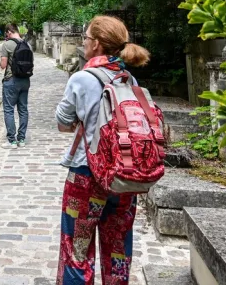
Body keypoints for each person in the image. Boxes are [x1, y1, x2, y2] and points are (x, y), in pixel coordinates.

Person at [55, 15, 150, 285]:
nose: (84, 43)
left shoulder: (82, 78)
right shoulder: (129, 78)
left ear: (96, 44)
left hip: (87, 176)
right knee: (118, 251)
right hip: (124, 178)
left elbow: (63, 123)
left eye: (85, 38)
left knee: (77, 251)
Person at [0, 23, 29, 149]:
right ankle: (21, 139)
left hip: (11, 80)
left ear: (9, 32)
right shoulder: (26, 44)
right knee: (23, 109)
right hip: (25, 81)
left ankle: (12, 140)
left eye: (7, 34)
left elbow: (3, 64)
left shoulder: (7, 45)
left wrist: (1, 62)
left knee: (9, 109)